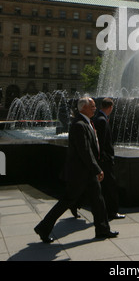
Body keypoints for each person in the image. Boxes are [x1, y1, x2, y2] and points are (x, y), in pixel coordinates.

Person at [34, 97, 118, 243]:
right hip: (81, 172)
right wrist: (97, 169)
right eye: (92, 106)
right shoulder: (79, 124)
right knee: (67, 200)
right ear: (83, 107)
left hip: (86, 171)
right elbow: (84, 151)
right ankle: (43, 227)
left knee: (98, 200)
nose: (95, 108)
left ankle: (103, 230)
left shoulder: (86, 122)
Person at [93, 98, 125, 221]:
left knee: (102, 187)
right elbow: (102, 142)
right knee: (110, 186)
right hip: (104, 161)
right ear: (110, 107)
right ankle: (112, 212)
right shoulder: (102, 120)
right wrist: (106, 158)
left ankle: (76, 204)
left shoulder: (98, 118)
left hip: (101, 159)